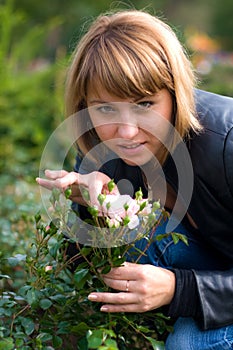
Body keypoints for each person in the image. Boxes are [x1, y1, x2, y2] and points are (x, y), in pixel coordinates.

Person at [36, 9, 233, 349]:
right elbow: (81, 274)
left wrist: (178, 290)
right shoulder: (102, 149)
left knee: (186, 345)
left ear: (176, 92)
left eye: (144, 104)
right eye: (106, 109)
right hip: (212, 273)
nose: (126, 132)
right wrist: (90, 209)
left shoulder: (226, 140)